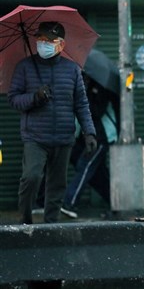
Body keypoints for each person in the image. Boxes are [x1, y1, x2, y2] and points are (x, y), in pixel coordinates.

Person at [8, 21, 97, 224]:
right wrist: (34, 97)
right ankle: (26, 219)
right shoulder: (25, 67)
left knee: (57, 185)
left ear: (61, 45)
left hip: (64, 137)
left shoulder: (72, 69)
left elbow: (81, 104)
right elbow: (13, 99)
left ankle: (51, 225)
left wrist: (89, 132)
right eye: (40, 39)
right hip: (35, 137)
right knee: (31, 177)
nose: (43, 44)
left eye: (49, 40)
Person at [60, 74, 119, 219]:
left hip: (101, 136)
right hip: (86, 136)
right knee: (99, 174)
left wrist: (84, 99)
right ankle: (117, 202)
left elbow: (97, 111)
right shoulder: (84, 87)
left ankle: (69, 202)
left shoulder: (102, 88)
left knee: (85, 166)